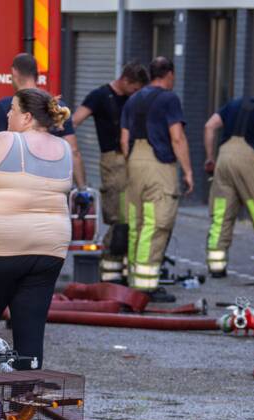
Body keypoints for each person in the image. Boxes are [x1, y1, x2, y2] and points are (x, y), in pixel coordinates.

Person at [0, 88, 73, 366]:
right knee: (31, 329)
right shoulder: (64, 148)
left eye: (13, 110)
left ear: (27, 117)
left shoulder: (5, 140)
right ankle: (24, 398)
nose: (8, 114)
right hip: (49, 249)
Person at [119, 56, 192, 303]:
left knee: (136, 223)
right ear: (169, 74)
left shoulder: (133, 98)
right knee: (156, 223)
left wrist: (131, 165)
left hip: (134, 163)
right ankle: (146, 285)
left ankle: (133, 279)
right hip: (158, 165)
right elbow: (177, 138)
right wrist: (188, 171)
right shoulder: (169, 99)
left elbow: (123, 140)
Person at [72, 61, 149, 283]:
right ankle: (110, 268)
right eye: (134, 89)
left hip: (134, 159)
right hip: (113, 160)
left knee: (135, 215)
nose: (136, 94)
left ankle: (125, 268)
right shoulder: (99, 96)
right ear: (126, 81)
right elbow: (74, 121)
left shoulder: (133, 98)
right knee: (119, 215)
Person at [202, 80, 254, 278]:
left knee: (221, 211)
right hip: (249, 161)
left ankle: (216, 264)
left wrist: (210, 157)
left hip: (223, 159)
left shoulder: (233, 104)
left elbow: (209, 126)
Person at [0, 53, 87, 192]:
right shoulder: (57, 107)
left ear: (14, 72)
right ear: (36, 74)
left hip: (18, 187)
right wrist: (82, 189)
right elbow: (74, 151)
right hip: (52, 187)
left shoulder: (7, 106)